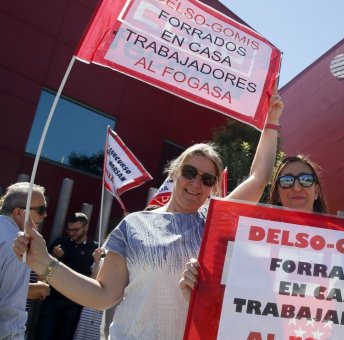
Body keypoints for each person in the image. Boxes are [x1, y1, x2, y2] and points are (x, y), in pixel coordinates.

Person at [13, 90, 284, 339]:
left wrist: (271, 121)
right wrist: (44, 262)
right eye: (189, 173)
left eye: (207, 178)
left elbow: (258, 178)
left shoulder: (213, 224)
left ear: (214, 187)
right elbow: (102, 295)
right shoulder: (134, 225)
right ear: (174, 173)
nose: (195, 183)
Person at [179, 155, 344, 299]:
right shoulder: (249, 240)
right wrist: (200, 275)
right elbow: (223, 285)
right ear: (276, 192)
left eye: (305, 180)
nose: (296, 186)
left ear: (317, 190)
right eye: (286, 181)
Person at [37, 212, 97, 339]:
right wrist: (54, 258)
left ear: (85, 227)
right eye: (69, 230)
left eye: (76, 230)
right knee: (44, 335)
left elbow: (95, 279)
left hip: (75, 303)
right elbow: (44, 275)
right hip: (53, 299)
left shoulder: (94, 249)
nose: (72, 233)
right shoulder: (59, 243)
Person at [0, 182, 48, 339]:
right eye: (41, 210)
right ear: (19, 213)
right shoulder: (17, 245)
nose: (45, 215)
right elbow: (10, 309)